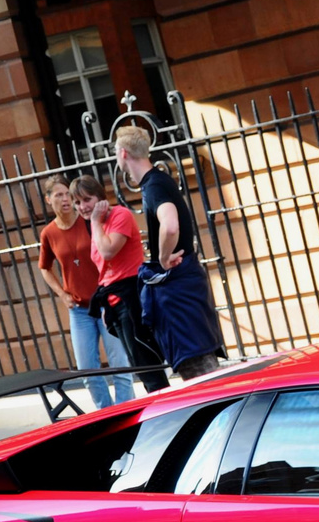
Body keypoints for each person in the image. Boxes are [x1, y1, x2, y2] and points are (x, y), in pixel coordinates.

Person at [114, 125, 224, 380]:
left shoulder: (154, 186)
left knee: (199, 375)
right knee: (201, 367)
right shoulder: (158, 181)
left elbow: (170, 224)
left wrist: (163, 257)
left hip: (177, 289)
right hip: (183, 284)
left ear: (123, 153)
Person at [37, 175, 134, 408]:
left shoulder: (90, 221)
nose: (66, 200)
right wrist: (61, 294)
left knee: (119, 363)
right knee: (87, 371)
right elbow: (44, 268)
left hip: (105, 301)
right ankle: (105, 413)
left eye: (68, 195)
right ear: (49, 200)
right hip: (79, 310)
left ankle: (126, 409)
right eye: (58, 195)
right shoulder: (49, 233)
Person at [70, 174, 170, 394]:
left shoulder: (119, 215)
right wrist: (106, 306)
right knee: (138, 364)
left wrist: (95, 222)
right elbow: (103, 270)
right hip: (113, 299)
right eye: (77, 203)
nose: (83, 207)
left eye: (87, 199)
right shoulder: (97, 226)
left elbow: (107, 251)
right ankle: (159, 402)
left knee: (146, 362)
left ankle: (165, 406)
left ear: (100, 197)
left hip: (131, 295)